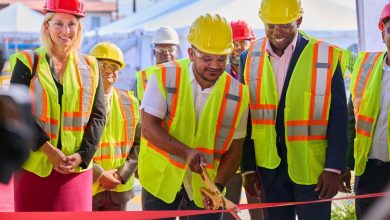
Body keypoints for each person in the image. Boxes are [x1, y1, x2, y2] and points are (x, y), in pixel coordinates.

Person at [240, 0, 348, 219]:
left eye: (285, 25)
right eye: (271, 26)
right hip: (268, 170)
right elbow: (246, 119)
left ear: (299, 20)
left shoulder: (325, 56)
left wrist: (334, 168)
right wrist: (248, 167)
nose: (277, 32)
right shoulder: (248, 57)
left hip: (314, 171)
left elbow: (338, 117)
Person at [138, 13, 249, 220]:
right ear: (191, 53)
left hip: (205, 188)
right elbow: (148, 128)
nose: (215, 65)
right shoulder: (163, 77)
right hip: (161, 180)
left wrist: (216, 188)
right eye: (207, 58)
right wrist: (186, 152)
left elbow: (235, 150)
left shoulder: (238, 94)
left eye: (221, 58)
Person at [10, 0, 106, 211]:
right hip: (34, 168)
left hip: (76, 171)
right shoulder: (27, 62)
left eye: (72, 24)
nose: (66, 30)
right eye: (58, 23)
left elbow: (99, 116)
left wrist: (82, 155)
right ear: (47, 26)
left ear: (79, 27)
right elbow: (15, 112)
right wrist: (48, 150)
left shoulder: (91, 67)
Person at [340, 3, 390, 219]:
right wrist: (344, 163)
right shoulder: (366, 68)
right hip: (369, 173)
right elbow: (352, 119)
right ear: (382, 34)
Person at [90, 42, 141, 211]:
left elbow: (139, 143)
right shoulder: (79, 101)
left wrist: (122, 174)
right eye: (103, 65)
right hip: (89, 186)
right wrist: (99, 174)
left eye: (114, 66)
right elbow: (70, 142)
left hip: (119, 188)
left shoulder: (131, 102)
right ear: (91, 68)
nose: (109, 70)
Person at [224, 19, 263, 220]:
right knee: (228, 212)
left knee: (260, 211)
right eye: (234, 43)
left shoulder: (261, 72)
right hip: (228, 154)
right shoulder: (218, 76)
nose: (238, 48)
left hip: (257, 155)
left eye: (243, 42)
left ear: (251, 43)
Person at [135, 26, 180, 101]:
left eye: (170, 49)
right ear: (154, 52)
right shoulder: (143, 78)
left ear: (177, 52)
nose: (166, 53)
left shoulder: (188, 76)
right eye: (161, 49)